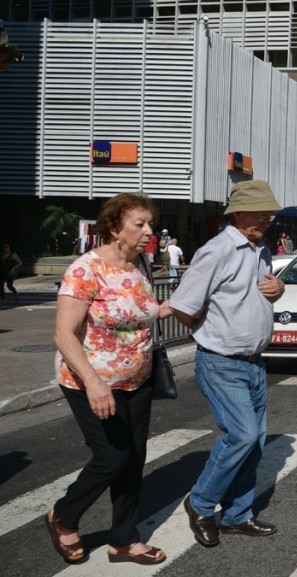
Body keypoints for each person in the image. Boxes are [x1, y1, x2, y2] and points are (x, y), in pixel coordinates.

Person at [48, 192, 172, 565]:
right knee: (112, 457)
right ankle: (64, 515)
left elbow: (147, 311)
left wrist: (194, 303)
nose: (149, 231)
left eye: (150, 224)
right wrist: (94, 383)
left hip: (138, 379)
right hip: (90, 380)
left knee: (134, 459)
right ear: (115, 228)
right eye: (140, 224)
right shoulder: (85, 270)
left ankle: (123, 539)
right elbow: (63, 334)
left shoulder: (141, 263)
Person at [169, 180, 285, 548]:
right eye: (260, 214)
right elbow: (182, 305)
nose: (266, 220)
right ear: (237, 213)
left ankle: (237, 515)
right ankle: (201, 503)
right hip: (221, 362)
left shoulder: (261, 250)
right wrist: (209, 328)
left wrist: (279, 291)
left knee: (255, 442)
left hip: (254, 363)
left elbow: (256, 295)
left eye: (269, 214)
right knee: (242, 436)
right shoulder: (217, 250)